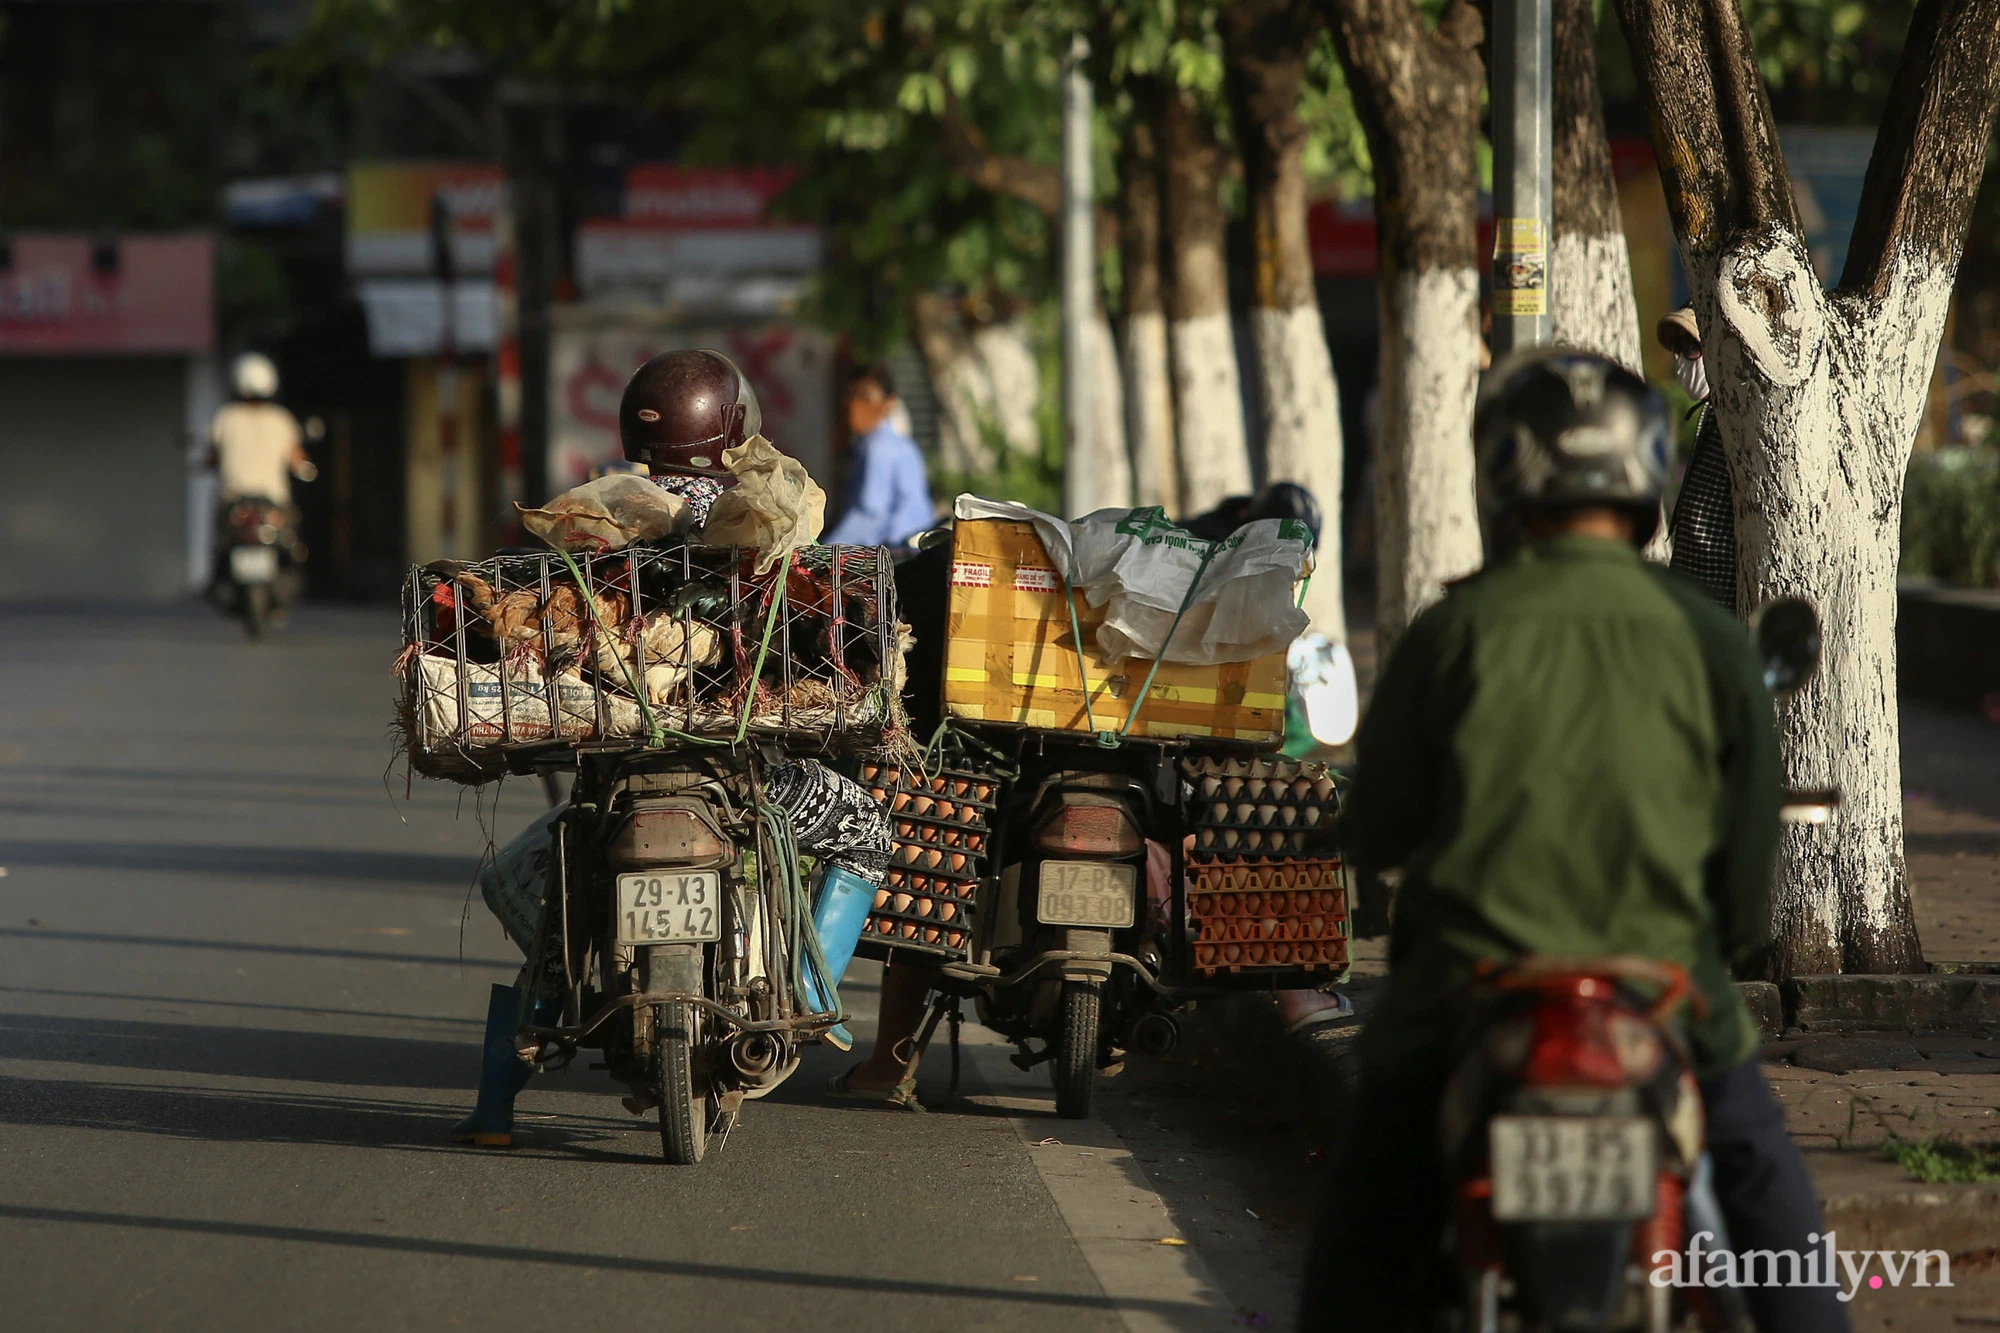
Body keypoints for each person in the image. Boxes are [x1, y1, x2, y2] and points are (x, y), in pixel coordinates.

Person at [1298, 349, 1846, 1332]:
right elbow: (1739, 905)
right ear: (1639, 472)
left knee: (1363, 1230)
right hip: (1662, 991)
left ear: (1502, 473)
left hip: (1462, 995)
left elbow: (1375, 825)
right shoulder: (1714, 642)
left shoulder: (1453, 630)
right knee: (1767, 1197)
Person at [449, 349, 893, 1146]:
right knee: (863, 824)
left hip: (620, 769)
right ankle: (805, 988)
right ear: (730, 427)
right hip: (739, 771)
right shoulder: (762, 515)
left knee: (564, 909)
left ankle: (493, 1107)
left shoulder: (597, 514)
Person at [1659, 305, 1737, 613]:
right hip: (1692, 602)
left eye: (1693, 347)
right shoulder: (1711, 414)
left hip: (1718, 605)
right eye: (1677, 349)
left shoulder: (1738, 421)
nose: (1680, 359)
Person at [823, 363, 934, 549]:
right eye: (851, 396)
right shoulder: (905, 445)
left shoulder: (876, 446)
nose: (854, 404)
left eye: (865, 397)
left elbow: (870, 513)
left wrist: (822, 551)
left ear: (887, 404)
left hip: (898, 553)